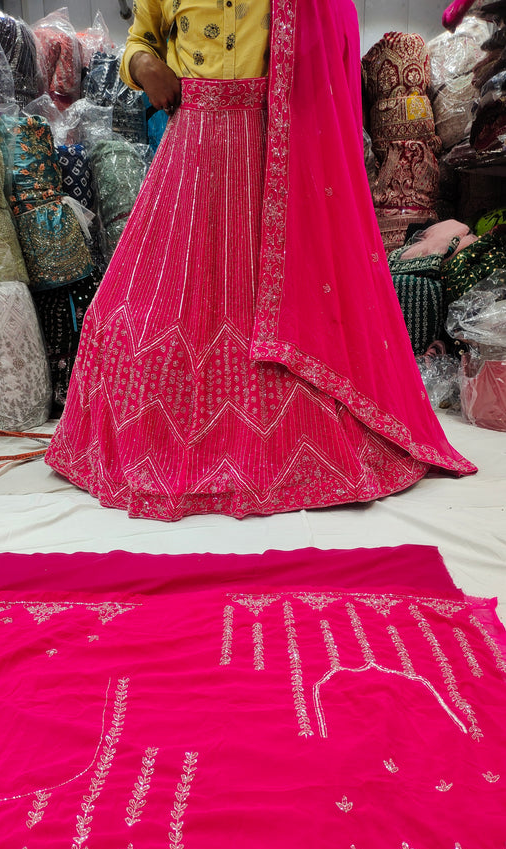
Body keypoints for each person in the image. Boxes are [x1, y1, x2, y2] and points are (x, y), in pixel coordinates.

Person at [45, 0, 476, 520]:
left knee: (273, 305)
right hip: (191, 152)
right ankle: (167, 445)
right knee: (163, 302)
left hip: (270, 152)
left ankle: (270, 446)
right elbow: (140, 40)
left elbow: (330, 37)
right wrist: (144, 65)